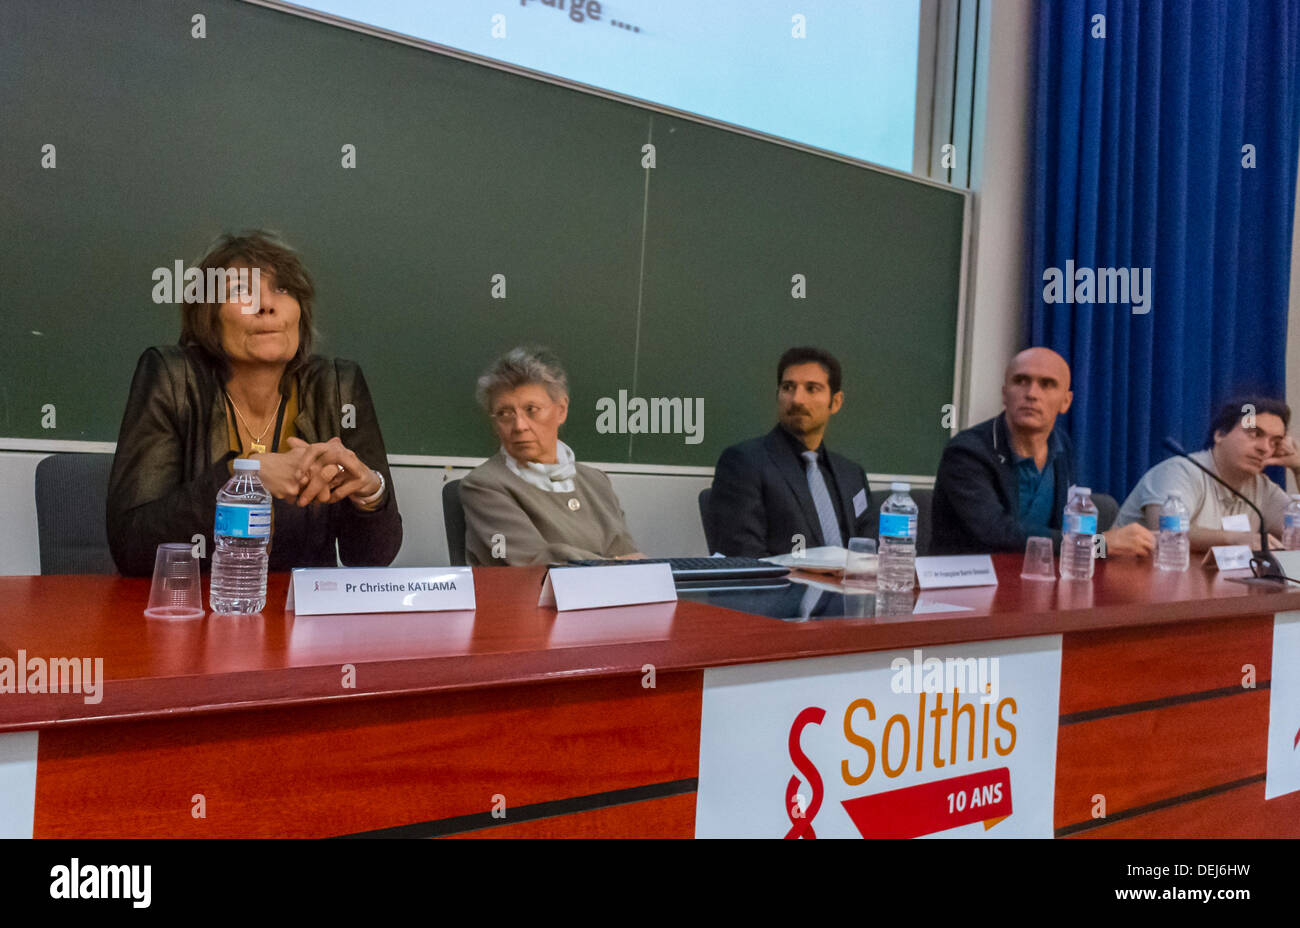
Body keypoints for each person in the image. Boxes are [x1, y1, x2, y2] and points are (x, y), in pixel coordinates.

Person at [107, 230, 402, 576]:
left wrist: (370, 493)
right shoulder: (173, 378)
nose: (266, 305)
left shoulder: (336, 387)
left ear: (300, 313)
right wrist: (244, 476)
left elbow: (370, 559)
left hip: (300, 618)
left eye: (282, 289)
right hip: (198, 610)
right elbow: (131, 548)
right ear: (209, 315)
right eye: (241, 292)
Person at [930, 347, 1153, 556]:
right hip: (965, 585)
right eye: (1021, 381)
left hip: (1038, 579)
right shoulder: (967, 452)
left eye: (1047, 384)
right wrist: (1098, 545)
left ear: (1066, 402)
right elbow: (995, 534)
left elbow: (1064, 524)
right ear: (1005, 394)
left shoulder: (1062, 445)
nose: (1032, 394)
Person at [460, 347, 641, 566]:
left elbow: (630, 556)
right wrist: (615, 565)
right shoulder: (483, 485)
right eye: (505, 414)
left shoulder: (596, 481)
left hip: (612, 598)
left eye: (532, 409)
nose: (519, 426)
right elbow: (531, 561)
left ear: (561, 410)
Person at [710, 347, 873, 558]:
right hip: (781, 590)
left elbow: (871, 552)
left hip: (852, 590)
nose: (797, 400)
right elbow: (743, 558)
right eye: (788, 387)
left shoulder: (852, 475)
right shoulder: (743, 463)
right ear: (777, 394)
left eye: (812, 389)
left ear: (836, 402)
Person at [1115, 396, 1300, 550]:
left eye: (1275, 442)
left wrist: (1298, 469)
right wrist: (1235, 539)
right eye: (1254, 434)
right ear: (1220, 434)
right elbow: (1167, 533)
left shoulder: (1262, 487)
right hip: (1136, 583)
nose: (1264, 448)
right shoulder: (1179, 471)